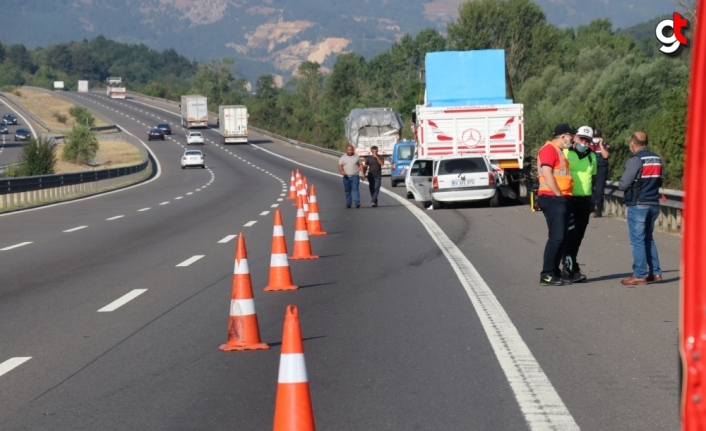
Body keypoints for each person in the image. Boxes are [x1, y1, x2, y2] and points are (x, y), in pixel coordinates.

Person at [618, 132, 663, 285]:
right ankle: (656, 273)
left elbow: (624, 183)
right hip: (653, 203)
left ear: (633, 143)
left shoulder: (636, 160)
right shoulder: (657, 158)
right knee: (648, 239)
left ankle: (639, 274)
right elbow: (660, 180)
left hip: (638, 204)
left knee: (638, 241)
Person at [537, 124, 575, 286]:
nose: (572, 140)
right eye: (570, 136)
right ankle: (546, 274)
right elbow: (547, 174)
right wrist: (559, 196)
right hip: (552, 198)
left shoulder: (558, 151)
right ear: (563, 136)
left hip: (560, 198)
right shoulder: (549, 149)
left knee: (561, 237)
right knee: (557, 237)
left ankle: (554, 272)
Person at [562, 126, 597, 283]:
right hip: (569, 200)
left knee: (578, 237)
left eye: (587, 140)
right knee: (569, 236)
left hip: (585, 201)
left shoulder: (592, 157)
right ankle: (569, 267)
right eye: (582, 139)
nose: (584, 142)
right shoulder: (565, 153)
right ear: (575, 137)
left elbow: (594, 178)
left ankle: (570, 265)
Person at [589, 129, 611, 217]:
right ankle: (591, 206)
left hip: (601, 168)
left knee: (599, 189)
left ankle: (598, 209)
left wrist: (601, 145)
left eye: (597, 137)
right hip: (590, 167)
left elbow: (605, 155)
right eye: (594, 137)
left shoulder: (605, 145)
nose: (595, 138)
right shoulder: (589, 145)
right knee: (589, 188)